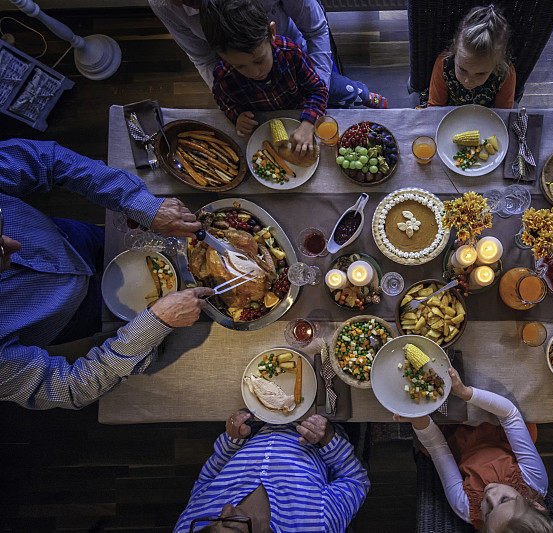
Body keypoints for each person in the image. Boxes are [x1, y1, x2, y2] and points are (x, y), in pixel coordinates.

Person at [0, 139, 214, 410]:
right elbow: (69, 387)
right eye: (1, 256)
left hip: (71, 240)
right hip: (70, 314)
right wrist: (156, 323)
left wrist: (142, 204)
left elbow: (47, 159)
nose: (16, 246)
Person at [394, 368, 553, 533]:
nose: (490, 495)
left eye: (488, 512)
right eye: (504, 500)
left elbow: (438, 448)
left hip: (456, 440)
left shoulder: (465, 507)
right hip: (498, 430)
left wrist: (418, 419)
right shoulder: (535, 482)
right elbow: (510, 416)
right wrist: (465, 393)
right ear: (535, 504)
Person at [149, 0, 387, 109]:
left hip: (296, 60)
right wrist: (238, 108)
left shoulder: (290, 51)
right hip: (243, 70)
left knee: (337, 90)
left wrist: (316, 99)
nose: (256, 73)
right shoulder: (164, 6)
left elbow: (316, 30)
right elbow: (204, 61)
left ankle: (364, 95)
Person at [174, 412, 370, 532]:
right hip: (323, 421)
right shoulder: (317, 525)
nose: (226, 508)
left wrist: (233, 440)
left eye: (212, 521)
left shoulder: (188, 527)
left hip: (255, 422)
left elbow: (207, 480)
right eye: (234, 524)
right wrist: (326, 437)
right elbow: (355, 480)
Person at [198, 0, 329, 151]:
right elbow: (225, 103)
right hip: (262, 123)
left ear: (272, 33)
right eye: (239, 66)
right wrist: (237, 116)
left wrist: (309, 123)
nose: (254, 73)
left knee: (346, 91)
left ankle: (361, 92)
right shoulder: (223, 75)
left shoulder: (290, 52)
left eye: (259, 61)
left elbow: (318, 89)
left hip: (299, 108)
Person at [423, 5, 516, 109]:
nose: (468, 81)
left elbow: (503, 114)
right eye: (462, 69)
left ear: (497, 63)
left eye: (481, 74)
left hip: (486, 116)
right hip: (449, 112)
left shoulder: (506, 74)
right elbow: (435, 107)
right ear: (455, 47)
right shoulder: (444, 64)